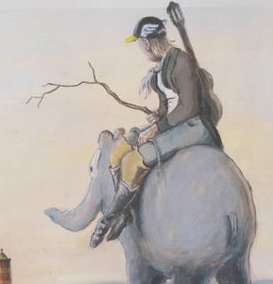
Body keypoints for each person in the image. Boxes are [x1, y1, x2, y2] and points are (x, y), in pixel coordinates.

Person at [89, 15, 221, 248]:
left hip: (193, 126)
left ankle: (110, 217)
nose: (140, 49)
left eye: (140, 44)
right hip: (171, 123)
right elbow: (167, 103)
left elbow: (189, 107)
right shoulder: (161, 66)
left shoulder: (181, 62)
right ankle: (126, 212)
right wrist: (157, 115)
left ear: (147, 43)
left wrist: (156, 129)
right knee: (118, 152)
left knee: (133, 161)